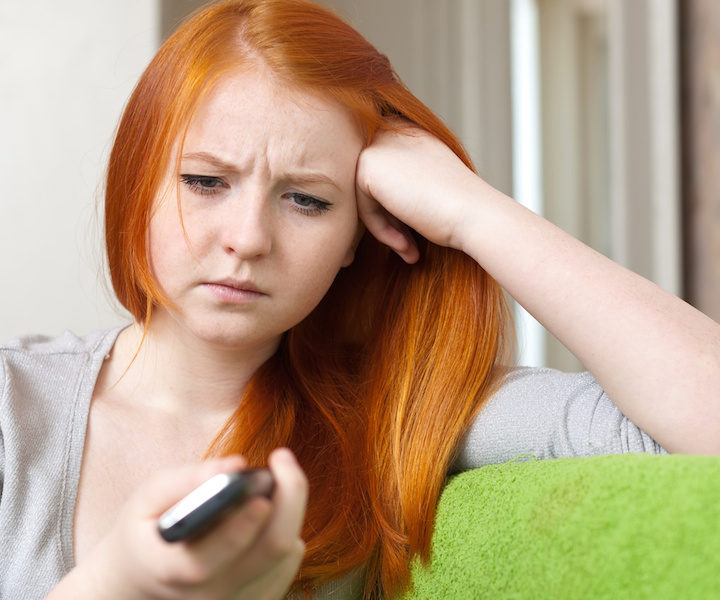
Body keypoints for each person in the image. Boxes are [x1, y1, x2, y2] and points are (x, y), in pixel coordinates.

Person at [1, 0, 718, 598]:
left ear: (357, 237)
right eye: (206, 182)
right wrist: (117, 584)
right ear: (139, 184)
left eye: (307, 201)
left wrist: (474, 212)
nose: (248, 238)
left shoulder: (399, 412)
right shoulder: (13, 407)